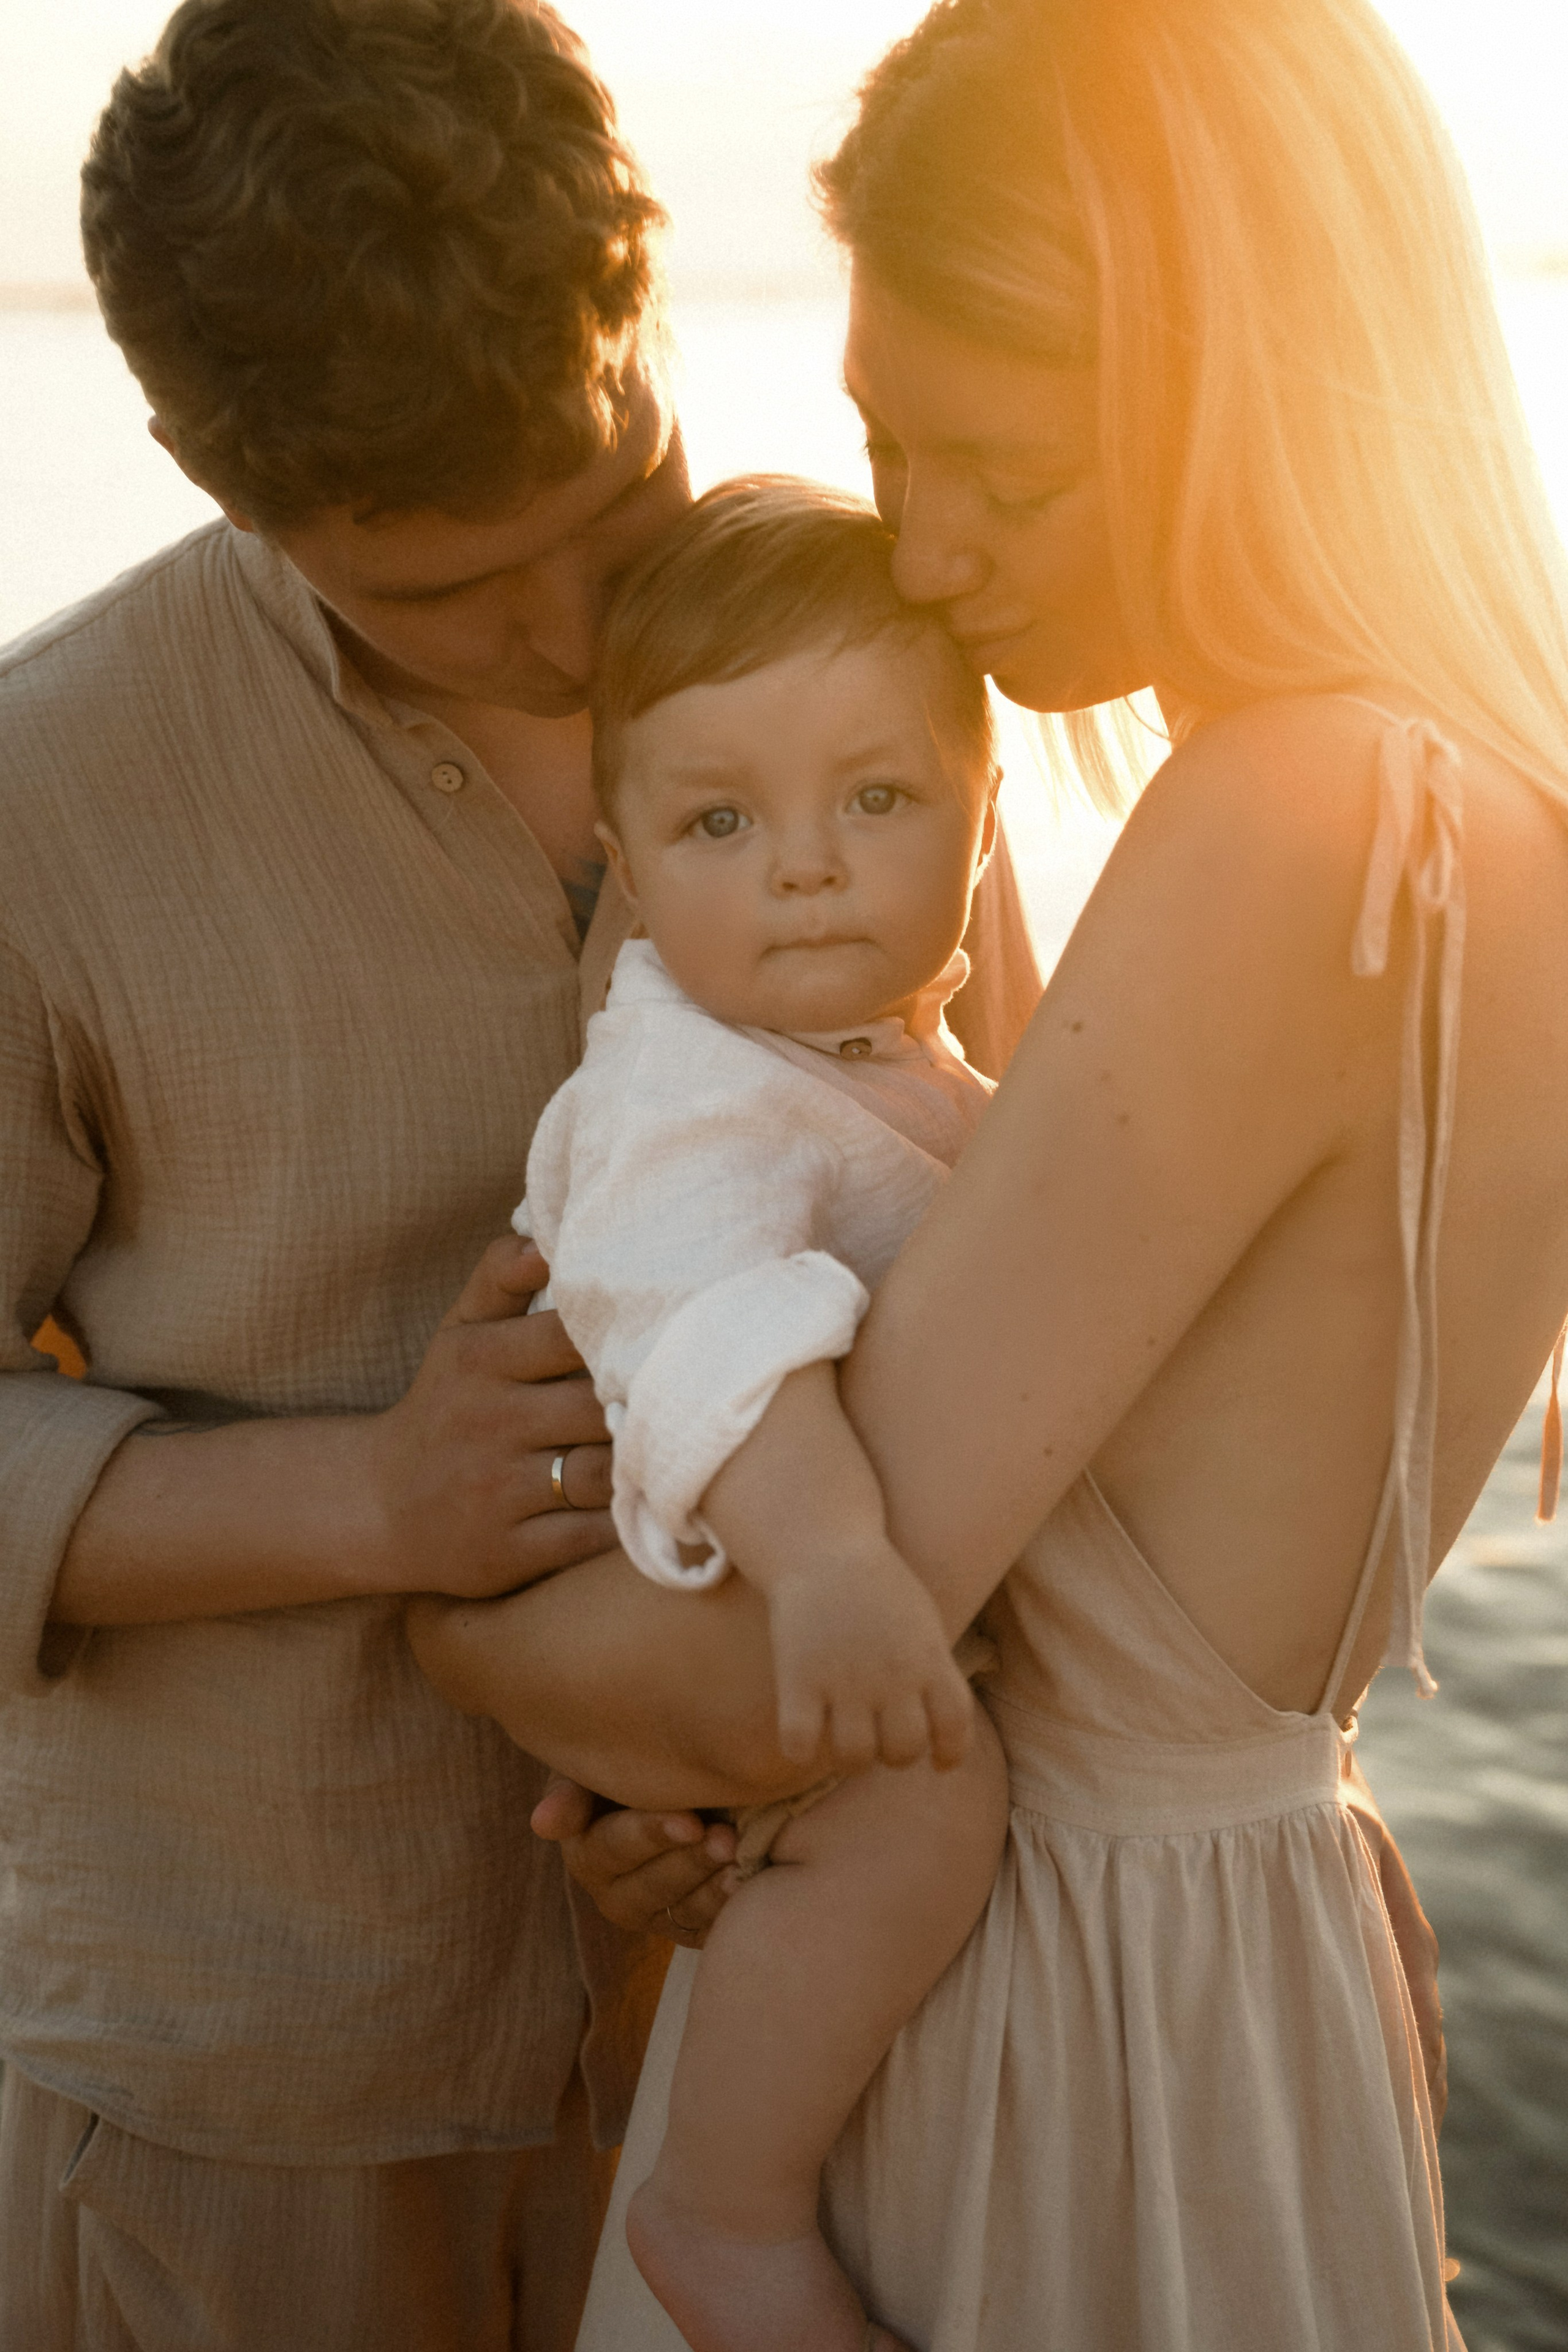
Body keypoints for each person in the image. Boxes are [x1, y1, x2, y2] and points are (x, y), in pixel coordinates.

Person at [410, 0, 1568, 2343]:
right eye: (875, 445)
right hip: (1217, 1971)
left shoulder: (1295, 825)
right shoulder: (1474, 810)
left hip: (1063, 2028)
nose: (923, 556)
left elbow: (773, 1669)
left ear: (1231, 386)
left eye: (999, 475)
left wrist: (447, 1609)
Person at [0, 4, 1044, 2346]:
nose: (578, 647)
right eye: (459, 597)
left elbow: (1033, 1213)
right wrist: (376, 1503)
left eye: (612, 508)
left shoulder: (881, 660)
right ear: (200, 460)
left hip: (787, 2040)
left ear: (647, 279)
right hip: (262, 2104)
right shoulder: (36, 807)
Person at [516, 476, 1011, 2350]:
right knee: (923, 1812)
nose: (805, 865)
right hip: (748, 1564)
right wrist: (829, 1560)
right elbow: (723, 1320)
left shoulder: (874, 1048)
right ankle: (724, 2210)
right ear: (628, 861)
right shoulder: (685, 1090)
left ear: (981, 819)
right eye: (722, 821)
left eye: (875, 801)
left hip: (811, 1594)